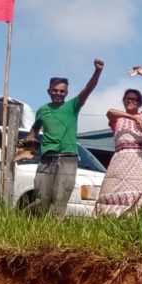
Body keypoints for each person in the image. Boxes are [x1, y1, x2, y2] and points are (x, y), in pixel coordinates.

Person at [27, 59, 104, 215]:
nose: (58, 93)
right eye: (55, 90)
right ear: (49, 91)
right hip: (47, 157)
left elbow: (88, 89)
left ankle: (54, 231)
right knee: (42, 198)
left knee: (61, 198)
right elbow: (34, 128)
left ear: (66, 93)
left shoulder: (72, 106)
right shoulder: (42, 110)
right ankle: (26, 221)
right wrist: (31, 138)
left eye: (62, 91)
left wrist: (97, 71)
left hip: (68, 157)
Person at [96, 67, 142, 215]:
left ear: (139, 103)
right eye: (127, 99)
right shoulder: (117, 118)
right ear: (124, 101)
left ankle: (132, 223)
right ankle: (108, 220)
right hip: (121, 158)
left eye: (134, 100)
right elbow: (110, 112)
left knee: (139, 191)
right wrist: (134, 118)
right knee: (111, 189)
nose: (130, 101)